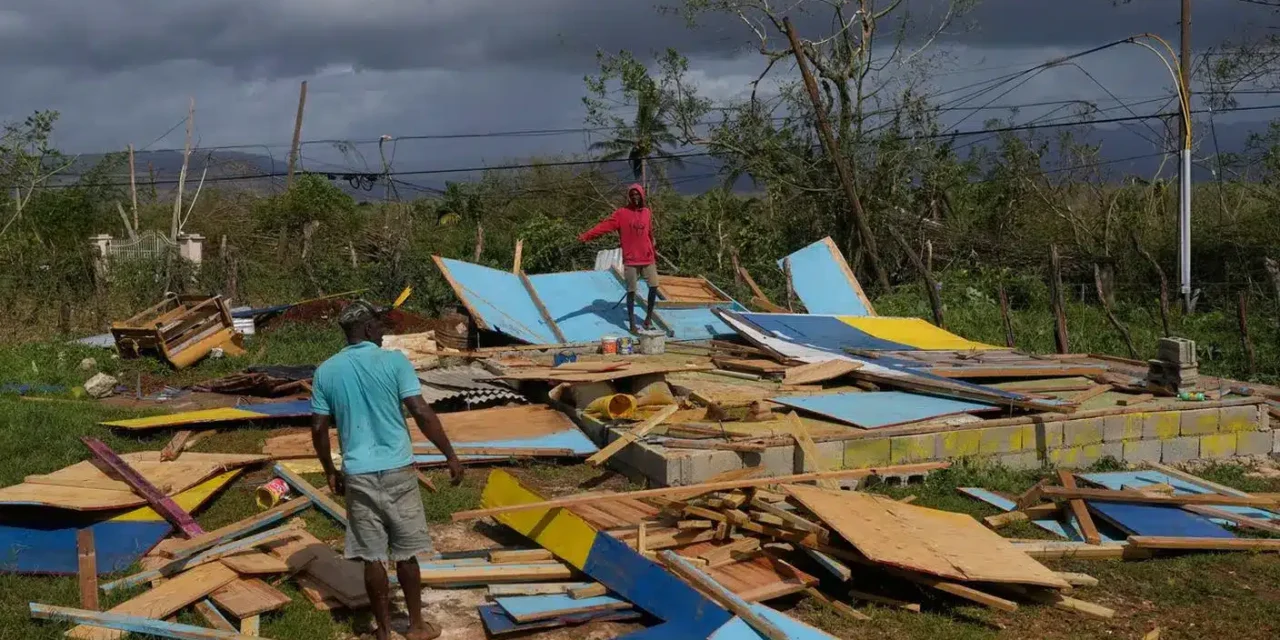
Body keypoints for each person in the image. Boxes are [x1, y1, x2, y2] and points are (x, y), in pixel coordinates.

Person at [310, 300, 464, 640]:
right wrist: (450, 454)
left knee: (372, 557)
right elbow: (421, 411)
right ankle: (417, 626)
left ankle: (382, 632)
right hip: (398, 471)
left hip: (358, 474)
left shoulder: (326, 371)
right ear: (366, 329)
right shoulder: (394, 362)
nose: (382, 333)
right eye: (378, 327)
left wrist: (329, 470)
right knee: (407, 552)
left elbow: (319, 429)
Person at [579, 183, 659, 334]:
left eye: (638, 194)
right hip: (631, 259)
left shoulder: (647, 212)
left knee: (654, 286)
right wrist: (586, 236)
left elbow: (650, 234)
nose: (635, 197)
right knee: (631, 291)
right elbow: (604, 226)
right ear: (629, 197)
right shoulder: (621, 214)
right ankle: (631, 324)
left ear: (642, 195)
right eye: (632, 194)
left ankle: (648, 319)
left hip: (648, 258)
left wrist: (653, 252)